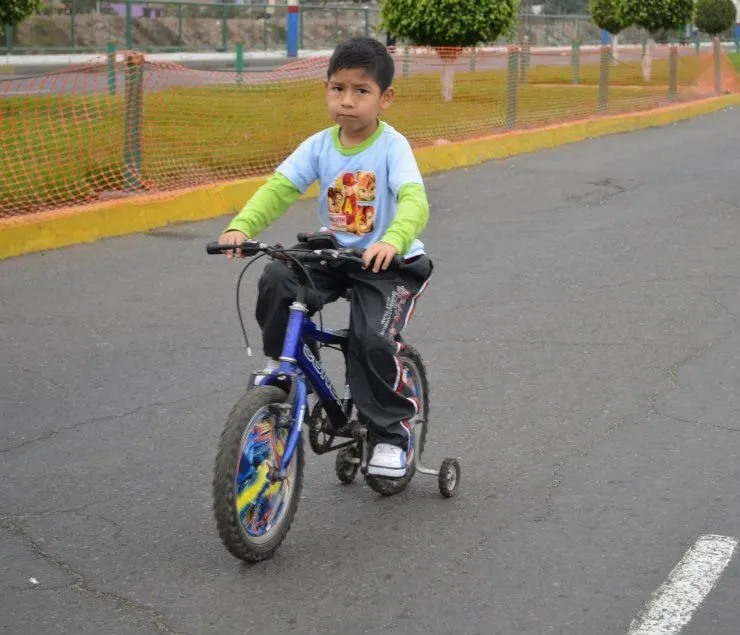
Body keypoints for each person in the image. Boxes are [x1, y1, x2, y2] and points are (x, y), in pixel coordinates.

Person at [216, 37, 431, 479]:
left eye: (361, 91)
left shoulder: (392, 147)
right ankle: (286, 367)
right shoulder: (319, 145)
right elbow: (279, 188)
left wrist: (392, 238)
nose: (347, 101)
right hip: (335, 256)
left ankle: (392, 433)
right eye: (337, 89)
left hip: (390, 263)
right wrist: (243, 226)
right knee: (278, 277)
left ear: (385, 98)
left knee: (370, 340)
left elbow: (414, 201)